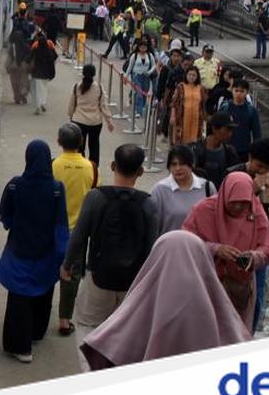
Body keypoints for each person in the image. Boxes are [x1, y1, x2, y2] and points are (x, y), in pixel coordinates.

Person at [78, 231, 251, 370]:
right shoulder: (218, 308)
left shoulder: (141, 303)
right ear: (203, 262)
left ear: (155, 260)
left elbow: (106, 350)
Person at [61, 144, 158, 370]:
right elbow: (153, 246)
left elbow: (79, 236)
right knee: (126, 330)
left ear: (113, 165)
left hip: (98, 276)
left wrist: (68, 265)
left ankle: (92, 373)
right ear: (141, 172)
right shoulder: (149, 203)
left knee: (88, 324)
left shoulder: (96, 197)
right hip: (133, 283)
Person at [0, 140, 70, 362]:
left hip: (19, 251)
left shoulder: (15, 185)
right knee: (42, 291)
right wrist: (62, 255)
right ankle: (37, 332)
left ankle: (21, 347)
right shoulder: (57, 189)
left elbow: (5, 214)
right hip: (46, 253)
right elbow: (61, 224)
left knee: (19, 297)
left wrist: (12, 224)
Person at [182, 172, 269, 330]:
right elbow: (184, 243)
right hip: (204, 286)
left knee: (234, 333)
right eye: (234, 202)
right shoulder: (203, 210)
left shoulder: (255, 211)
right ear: (225, 195)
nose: (239, 207)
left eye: (244, 203)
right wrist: (215, 249)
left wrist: (253, 257)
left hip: (239, 290)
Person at [225, 137, 269, 333]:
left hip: (258, 246)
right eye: (258, 165)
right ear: (250, 157)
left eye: (266, 168)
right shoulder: (233, 174)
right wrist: (254, 190)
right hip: (233, 244)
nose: (261, 171)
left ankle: (248, 333)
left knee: (255, 297)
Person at [51, 124, 98, 337]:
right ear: (81, 142)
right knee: (72, 273)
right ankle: (64, 319)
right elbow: (94, 194)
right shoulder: (90, 167)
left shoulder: (53, 165)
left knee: (49, 267)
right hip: (79, 230)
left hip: (55, 227)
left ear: (59, 142)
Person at [150, 145, 216, 235]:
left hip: (199, 246)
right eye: (174, 164)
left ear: (192, 164)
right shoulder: (160, 190)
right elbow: (153, 227)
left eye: (182, 164)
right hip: (170, 245)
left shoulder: (207, 188)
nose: (178, 168)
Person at [67, 64, 115, 168]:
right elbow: (103, 106)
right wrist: (109, 121)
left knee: (79, 146)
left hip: (79, 120)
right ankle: (93, 168)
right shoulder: (99, 87)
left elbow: (72, 104)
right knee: (94, 145)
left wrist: (71, 116)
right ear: (94, 74)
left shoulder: (77, 86)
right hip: (95, 121)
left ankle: (81, 167)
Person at [190, 113, 241, 194]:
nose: (230, 134)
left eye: (231, 130)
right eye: (227, 130)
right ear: (214, 129)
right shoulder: (197, 150)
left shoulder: (230, 152)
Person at [219, 79, 261, 161]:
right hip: (226, 149)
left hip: (244, 149)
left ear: (247, 93)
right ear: (232, 91)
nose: (238, 94)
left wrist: (255, 152)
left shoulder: (251, 111)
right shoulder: (225, 108)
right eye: (236, 91)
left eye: (242, 91)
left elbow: (257, 133)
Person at [171, 66, 208, 145]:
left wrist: (205, 117)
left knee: (195, 141)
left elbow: (203, 104)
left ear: (197, 76)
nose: (191, 77)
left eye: (194, 75)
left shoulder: (201, 89)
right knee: (181, 140)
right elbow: (174, 103)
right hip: (182, 118)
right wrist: (173, 115)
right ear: (186, 75)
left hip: (196, 118)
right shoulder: (180, 87)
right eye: (190, 74)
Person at [29, 29, 58, 115]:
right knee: (43, 90)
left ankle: (37, 106)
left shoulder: (35, 49)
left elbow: (28, 58)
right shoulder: (48, 52)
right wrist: (52, 75)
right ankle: (42, 102)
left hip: (36, 74)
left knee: (36, 91)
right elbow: (52, 62)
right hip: (45, 75)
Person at [124, 41, 156, 118]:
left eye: (145, 47)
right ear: (138, 47)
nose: (143, 49)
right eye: (141, 47)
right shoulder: (134, 56)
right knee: (139, 93)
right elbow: (130, 67)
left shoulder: (149, 55)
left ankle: (141, 106)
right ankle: (139, 111)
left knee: (145, 92)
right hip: (136, 75)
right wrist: (126, 76)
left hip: (146, 76)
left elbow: (154, 65)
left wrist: (149, 72)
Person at [7, 13, 33, 104]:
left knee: (14, 82)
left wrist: (8, 66)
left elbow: (9, 56)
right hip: (23, 66)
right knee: (24, 81)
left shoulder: (12, 45)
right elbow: (30, 54)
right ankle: (23, 94)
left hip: (14, 65)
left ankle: (17, 97)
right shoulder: (25, 45)